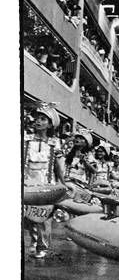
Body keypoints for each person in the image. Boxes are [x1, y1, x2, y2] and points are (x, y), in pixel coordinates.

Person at [23, 103, 66, 259]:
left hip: (46, 185)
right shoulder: (26, 139)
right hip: (27, 183)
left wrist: (62, 183)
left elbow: (59, 167)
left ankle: (43, 246)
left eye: (43, 119)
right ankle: (34, 242)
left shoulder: (55, 143)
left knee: (43, 218)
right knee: (27, 217)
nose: (38, 122)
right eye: (37, 118)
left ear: (50, 124)